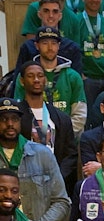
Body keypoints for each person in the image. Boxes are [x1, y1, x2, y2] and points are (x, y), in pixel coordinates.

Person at [0, 99, 70, 221]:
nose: (10, 124)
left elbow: (62, 201)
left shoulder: (42, 154)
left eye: (14, 119)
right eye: (4, 119)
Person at [14, 26, 87, 136]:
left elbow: (80, 116)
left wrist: (58, 136)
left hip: (65, 140)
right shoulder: (26, 75)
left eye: (53, 43)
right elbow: (18, 112)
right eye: (44, 43)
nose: (50, 47)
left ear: (59, 46)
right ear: (36, 46)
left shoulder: (73, 77)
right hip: (32, 139)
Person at [17, 61, 78, 194]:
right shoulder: (17, 117)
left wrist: (58, 177)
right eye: (31, 76)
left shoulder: (62, 118)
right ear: (22, 81)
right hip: (26, 184)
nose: (36, 79)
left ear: (45, 80)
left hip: (56, 184)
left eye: (40, 75)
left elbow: (71, 154)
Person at [15, 0, 83, 77]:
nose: (51, 15)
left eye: (55, 11)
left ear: (60, 16)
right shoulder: (28, 47)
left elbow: (77, 84)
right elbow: (19, 81)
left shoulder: (72, 48)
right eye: (46, 11)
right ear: (39, 14)